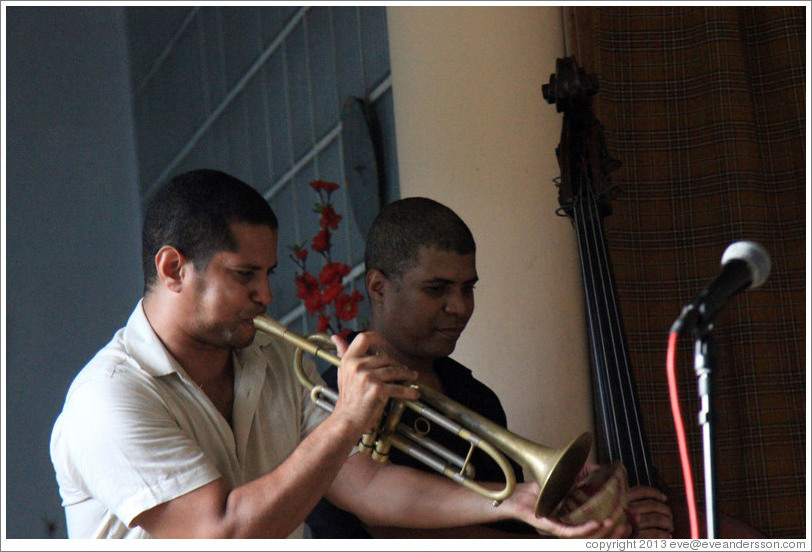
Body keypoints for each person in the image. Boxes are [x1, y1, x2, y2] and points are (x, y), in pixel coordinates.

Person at [49, 169, 630, 539]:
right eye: (244, 274)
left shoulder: (269, 362)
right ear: (174, 268)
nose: (265, 295)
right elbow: (220, 531)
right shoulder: (108, 398)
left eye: (269, 273)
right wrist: (350, 416)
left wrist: (506, 503)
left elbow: (368, 490)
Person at [307, 197, 673, 539]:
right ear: (378, 287)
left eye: (468, 288)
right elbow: (393, 528)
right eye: (437, 289)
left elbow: (511, 530)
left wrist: (592, 520)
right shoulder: (327, 395)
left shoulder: (477, 398)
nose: (460, 307)